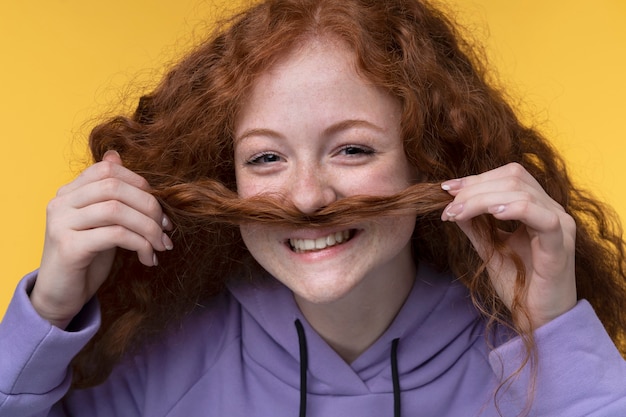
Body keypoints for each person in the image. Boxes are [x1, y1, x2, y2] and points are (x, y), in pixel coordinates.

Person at [1, 0, 625, 416]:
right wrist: (47, 312)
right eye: (266, 159)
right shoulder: (157, 361)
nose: (306, 197)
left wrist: (554, 331)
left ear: (429, 158)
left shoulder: (527, 369)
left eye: (353, 149)